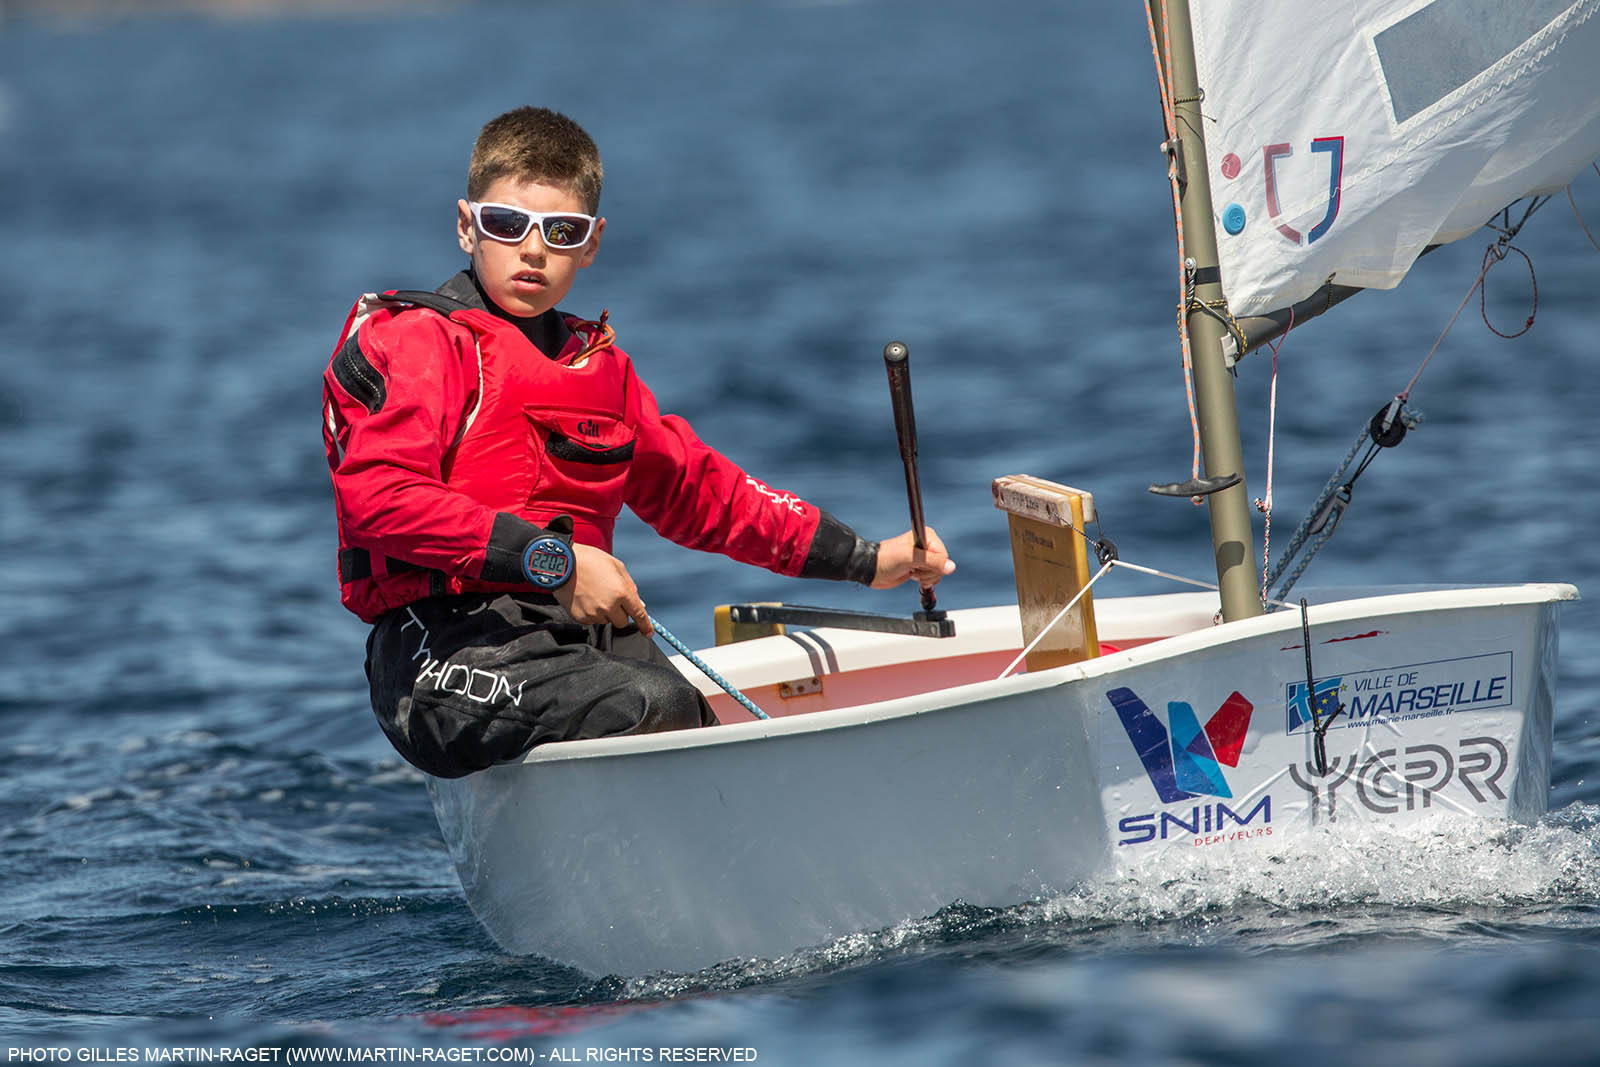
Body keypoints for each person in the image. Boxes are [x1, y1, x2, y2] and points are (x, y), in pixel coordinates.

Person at [321, 106, 954, 779]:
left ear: (591, 243)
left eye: (560, 232)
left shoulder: (602, 372)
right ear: (466, 225)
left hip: (566, 643)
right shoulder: (418, 341)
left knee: (711, 735)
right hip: (439, 653)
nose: (532, 250)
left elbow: (704, 493)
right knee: (658, 706)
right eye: (506, 225)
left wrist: (868, 559)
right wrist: (555, 563)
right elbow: (379, 499)